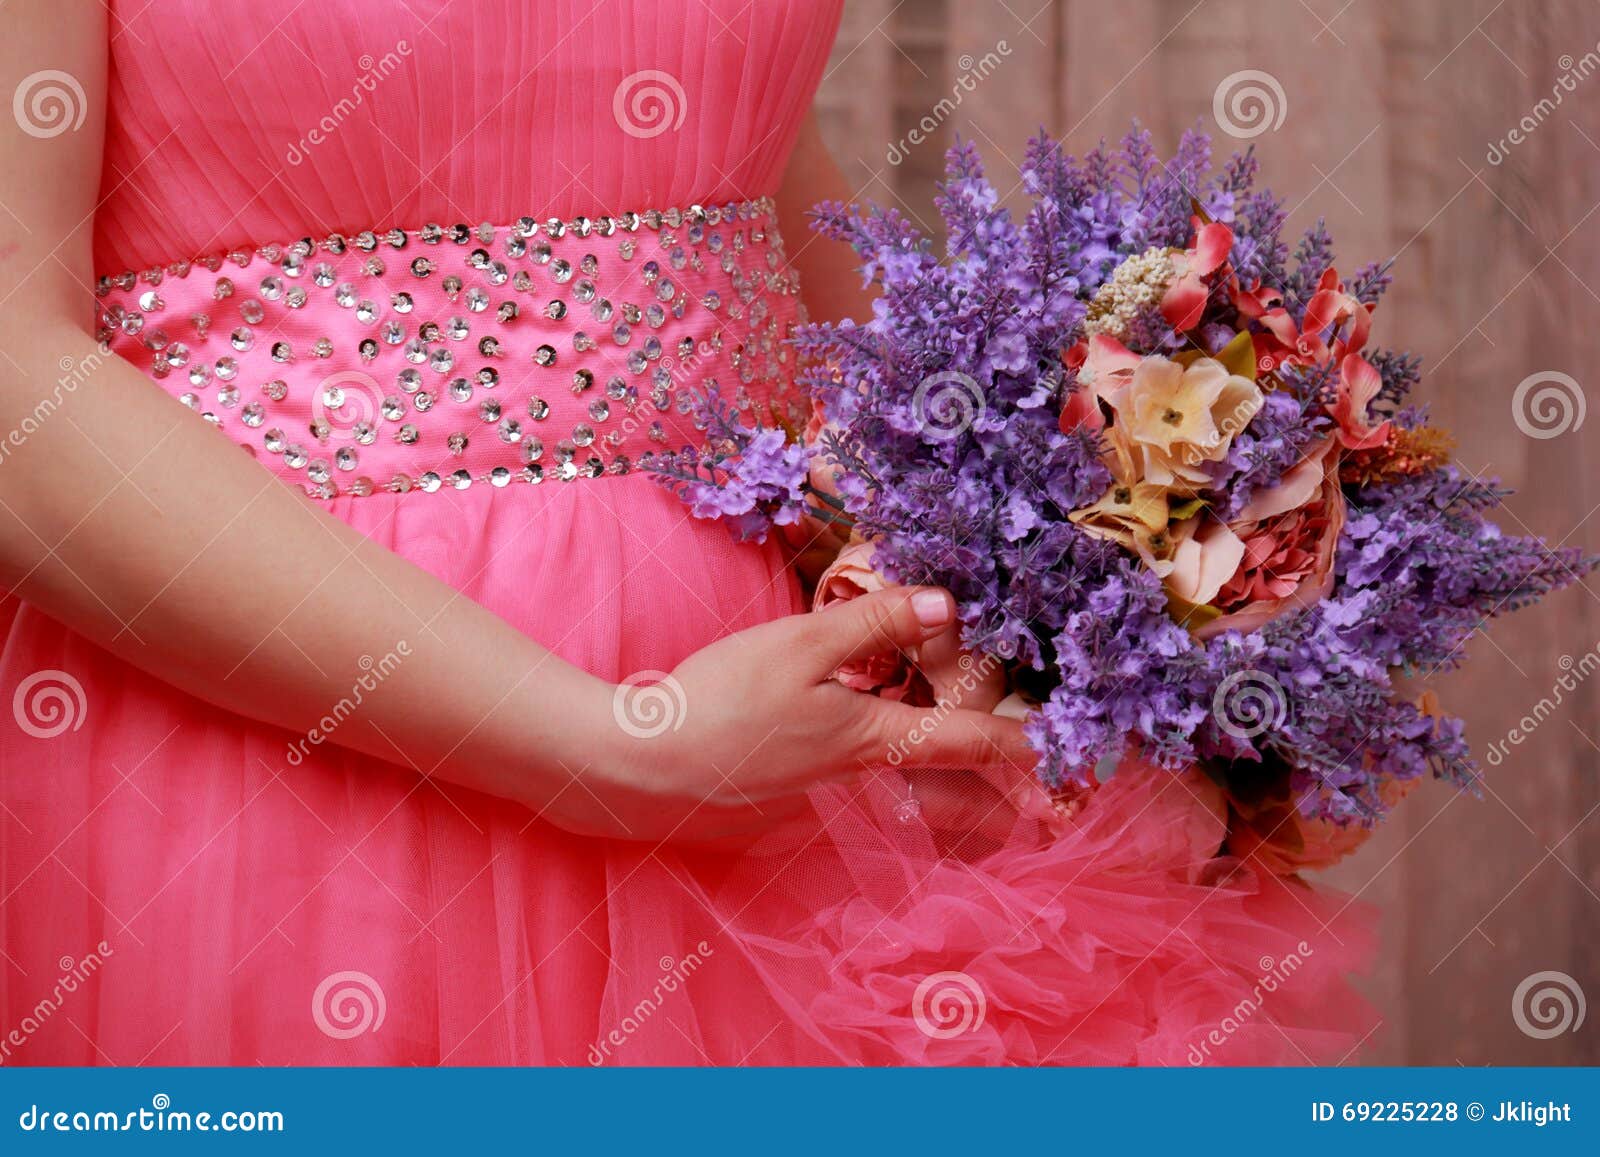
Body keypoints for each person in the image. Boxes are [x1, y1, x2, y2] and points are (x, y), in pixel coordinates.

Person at [0, 0, 1371, 1065]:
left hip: (776, 722)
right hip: (298, 720)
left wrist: (1093, 544)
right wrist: (601, 741)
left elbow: (723, 175)